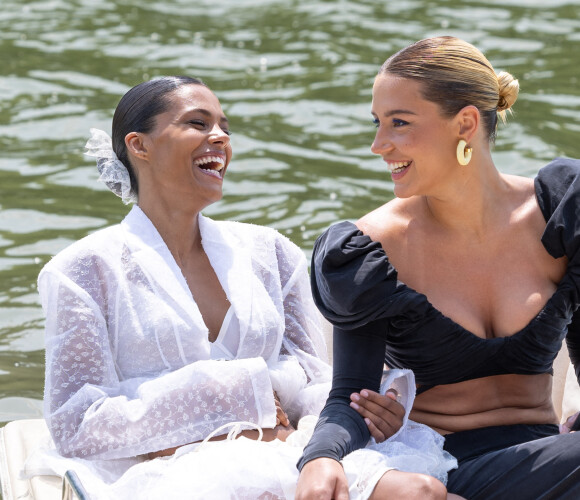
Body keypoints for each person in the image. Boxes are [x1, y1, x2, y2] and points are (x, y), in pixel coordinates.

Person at [27, 76, 458, 499]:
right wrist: (233, 390)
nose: (219, 137)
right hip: (165, 472)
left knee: (420, 490)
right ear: (139, 145)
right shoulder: (83, 269)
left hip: (287, 446)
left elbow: (311, 375)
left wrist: (364, 407)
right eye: (198, 123)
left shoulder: (269, 250)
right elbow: (76, 422)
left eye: (225, 128)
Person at [295, 36, 580, 500]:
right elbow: (349, 397)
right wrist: (320, 458)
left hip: (550, 460)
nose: (378, 145)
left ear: (465, 123)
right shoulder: (369, 250)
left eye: (399, 123)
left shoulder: (561, 212)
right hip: (442, 467)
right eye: (377, 124)